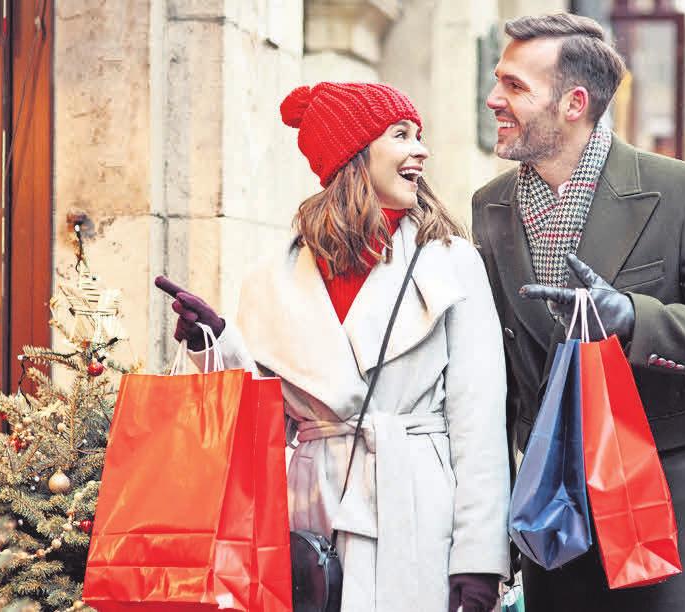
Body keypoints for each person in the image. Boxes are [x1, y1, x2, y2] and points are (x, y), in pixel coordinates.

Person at [156, 82, 511, 612]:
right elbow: (266, 423)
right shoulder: (272, 278)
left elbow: (479, 423)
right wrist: (214, 344)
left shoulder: (450, 261)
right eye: (401, 135)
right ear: (353, 154)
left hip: (416, 510)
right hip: (309, 513)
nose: (422, 150)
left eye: (420, 135)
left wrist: (479, 561)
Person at [469, 13, 685, 611]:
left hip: (671, 511)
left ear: (573, 103)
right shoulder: (490, 206)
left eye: (514, 85)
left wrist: (637, 317)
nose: (493, 99)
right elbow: (499, 376)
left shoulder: (681, 191)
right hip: (553, 521)